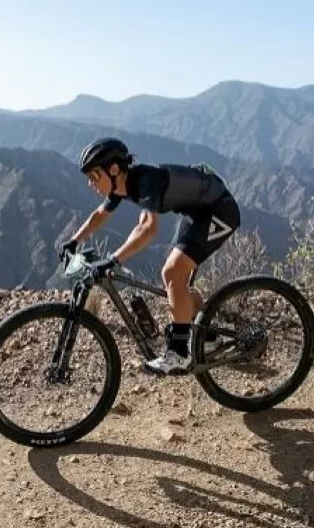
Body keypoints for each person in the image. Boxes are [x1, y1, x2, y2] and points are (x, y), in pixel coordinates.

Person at [59, 137, 241, 375]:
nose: (91, 183)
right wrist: (74, 240)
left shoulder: (146, 180)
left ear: (114, 169)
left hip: (220, 211)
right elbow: (100, 214)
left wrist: (113, 260)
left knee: (172, 271)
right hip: (196, 214)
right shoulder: (120, 186)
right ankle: (209, 336)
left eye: (95, 176)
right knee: (179, 281)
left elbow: (148, 228)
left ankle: (178, 353)